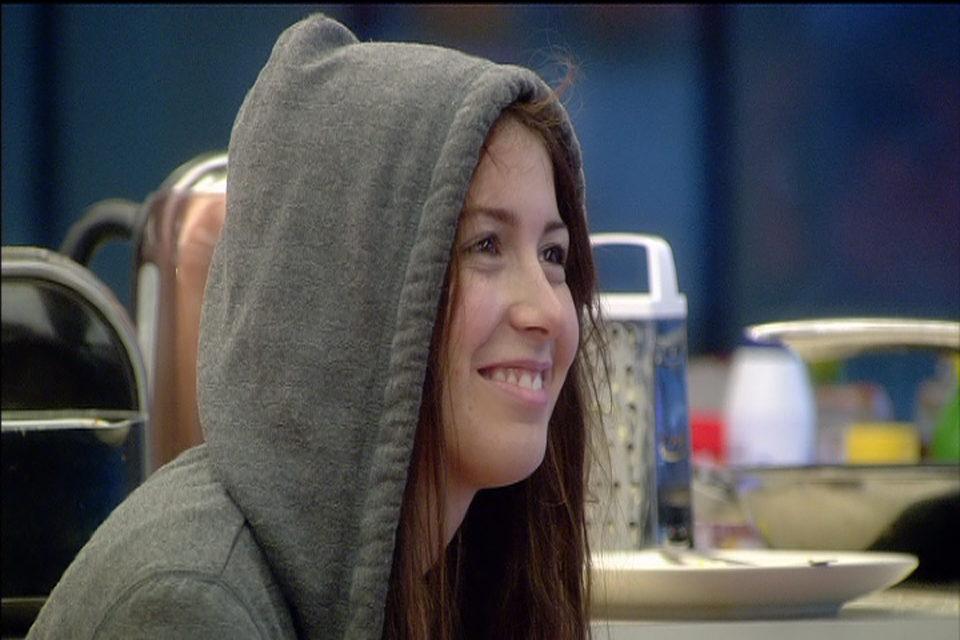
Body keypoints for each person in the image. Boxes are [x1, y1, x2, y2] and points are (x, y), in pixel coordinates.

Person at [27, 12, 603, 640]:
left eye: (553, 255)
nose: (549, 311)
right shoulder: (189, 607)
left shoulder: (451, 576)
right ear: (349, 287)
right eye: (486, 245)